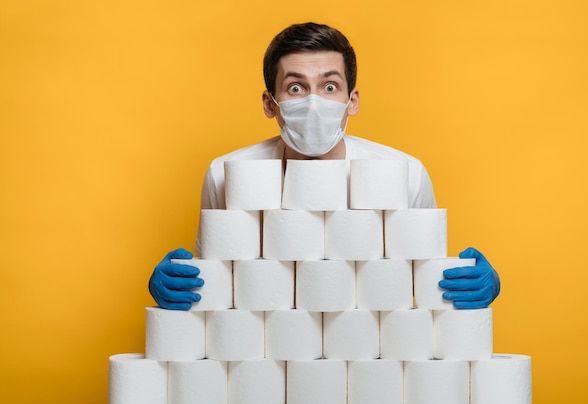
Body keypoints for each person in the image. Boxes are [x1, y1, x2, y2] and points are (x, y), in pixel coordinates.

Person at [149, 22, 500, 311]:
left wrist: (460, 284)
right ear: (270, 104)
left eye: (330, 86)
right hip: (265, 351)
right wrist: (180, 285)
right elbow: (218, 273)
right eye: (296, 87)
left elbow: (420, 276)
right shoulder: (227, 173)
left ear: (352, 101)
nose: (314, 102)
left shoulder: (403, 174)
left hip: (370, 353)